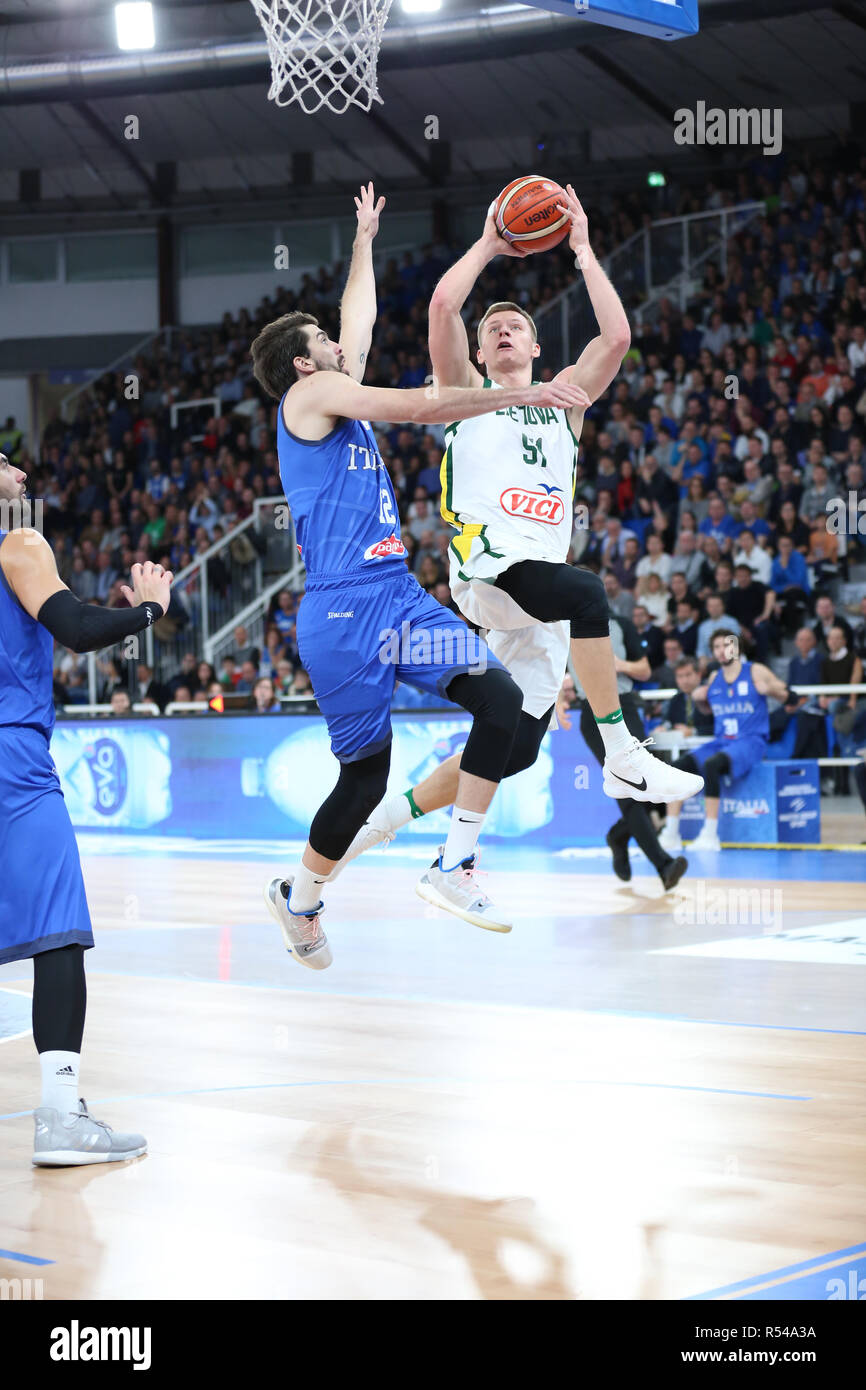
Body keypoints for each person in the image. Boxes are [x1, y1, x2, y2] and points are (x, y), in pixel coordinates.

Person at [249, 183, 590, 958]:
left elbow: (356, 321)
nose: (341, 348)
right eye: (326, 345)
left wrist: (365, 239)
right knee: (363, 781)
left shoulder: (335, 389)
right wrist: (525, 395)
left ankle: (456, 861)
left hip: (398, 607)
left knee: (499, 699)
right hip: (340, 619)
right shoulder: (312, 394)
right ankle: (300, 899)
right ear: (305, 362)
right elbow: (417, 407)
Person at [423, 186, 701, 817]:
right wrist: (492, 245)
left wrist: (582, 249)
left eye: (514, 326)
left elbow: (618, 335)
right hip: (491, 572)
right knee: (587, 592)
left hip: (534, 591)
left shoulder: (565, 400)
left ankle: (373, 831)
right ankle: (621, 753)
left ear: (536, 347)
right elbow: (443, 304)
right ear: (478, 351)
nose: (501, 332)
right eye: (491, 329)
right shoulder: (464, 391)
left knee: (514, 747)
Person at [0, 448, 172, 1165]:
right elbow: (74, 628)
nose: (20, 474)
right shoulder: (20, 540)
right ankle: (61, 1116)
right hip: (12, 761)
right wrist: (151, 610)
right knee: (57, 932)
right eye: (5, 463)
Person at [660, 630, 791, 852]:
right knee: (678, 768)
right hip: (722, 741)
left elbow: (791, 696)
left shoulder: (755, 670)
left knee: (712, 765)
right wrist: (701, 700)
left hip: (751, 741)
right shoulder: (713, 678)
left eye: (726, 645)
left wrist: (770, 690)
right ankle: (671, 833)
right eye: (717, 647)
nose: (722, 651)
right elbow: (709, 711)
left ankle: (710, 835)